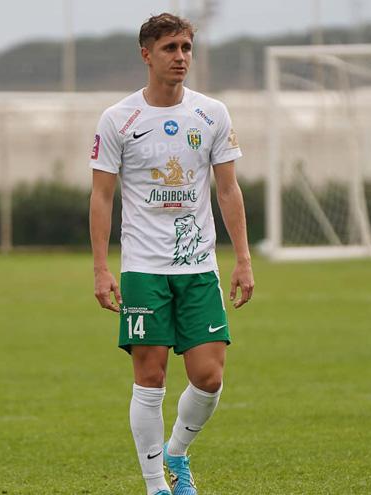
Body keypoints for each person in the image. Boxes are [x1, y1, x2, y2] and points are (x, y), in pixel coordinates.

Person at [89, 12, 254, 495]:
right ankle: (155, 486)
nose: (180, 57)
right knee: (151, 376)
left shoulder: (212, 114)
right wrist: (101, 269)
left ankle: (176, 452)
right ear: (147, 55)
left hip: (198, 265)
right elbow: (101, 196)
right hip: (143, 268)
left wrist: (243, 259)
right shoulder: (118, 119)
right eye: (170, 48)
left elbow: (228, 190)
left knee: (209, 377)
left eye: (186, 48)